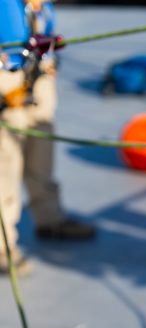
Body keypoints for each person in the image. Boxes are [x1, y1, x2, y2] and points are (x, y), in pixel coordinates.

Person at [0, 0, 95, 276]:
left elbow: (45, 36)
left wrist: (50, 60)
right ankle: (2, 244)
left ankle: (49, 218)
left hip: (38, 79)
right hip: (6, 83)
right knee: (6, 166)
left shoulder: (42, 7)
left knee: (42, 154)